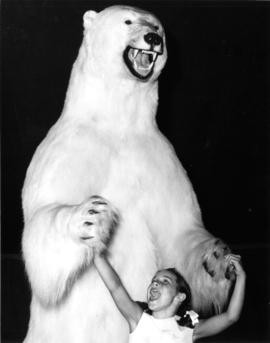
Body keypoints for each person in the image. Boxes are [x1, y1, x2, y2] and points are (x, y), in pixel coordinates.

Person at [92, 201, 246, 342]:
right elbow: (116, 287)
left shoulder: (188, 331)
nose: (155, 284)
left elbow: (231, 317)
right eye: (154, 281)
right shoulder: (138, 319)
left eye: (165, 281)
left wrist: (242, 277)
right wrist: (98, 255)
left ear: (179, 296)